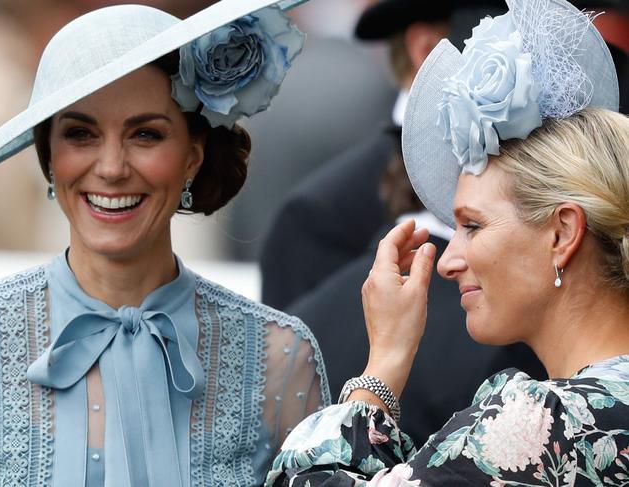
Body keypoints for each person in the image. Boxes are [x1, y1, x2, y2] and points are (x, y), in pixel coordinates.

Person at [266, 0, 629, 484]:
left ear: (562, 233)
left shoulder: (539, 428)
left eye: (473, 226)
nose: (448, 260)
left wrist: (382, 367)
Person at [0, 2, 330, 485]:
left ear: (192, 157)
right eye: (80, 134)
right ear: (48, 156)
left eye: (145, 134)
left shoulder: (279, 356)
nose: (111, 167)